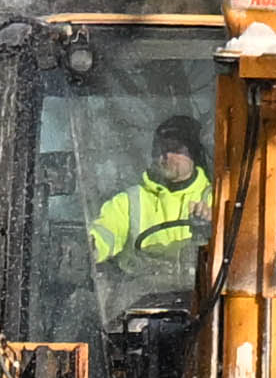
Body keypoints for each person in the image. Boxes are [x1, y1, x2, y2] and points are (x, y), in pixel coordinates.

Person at [89, 115, 214, 284]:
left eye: (175, 148)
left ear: (195, 154)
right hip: (137, 299)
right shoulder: (129, 201)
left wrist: (210, 231)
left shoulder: (215, 200)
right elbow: (106, 232)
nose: (166, 155)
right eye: (160, 148)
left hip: (198, 298)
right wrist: (91, 246)